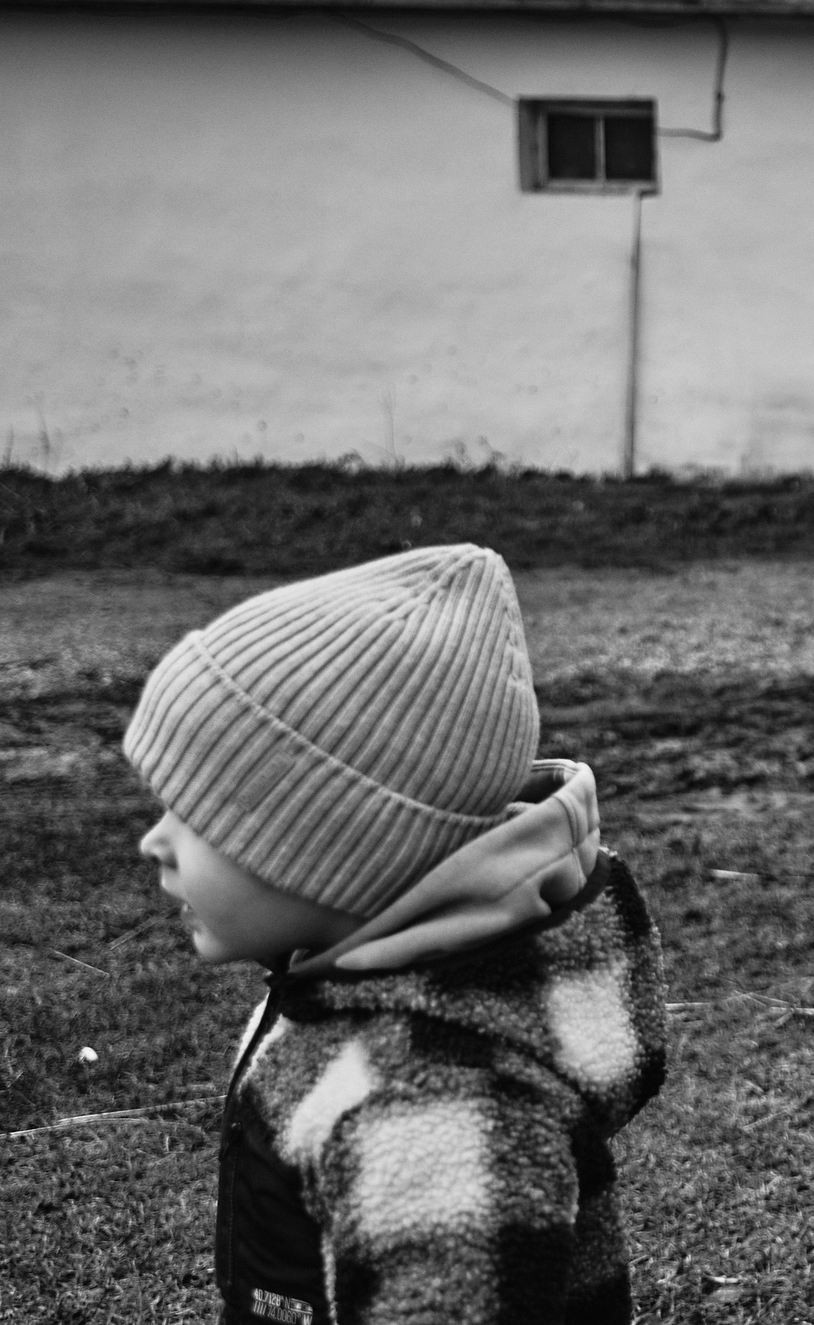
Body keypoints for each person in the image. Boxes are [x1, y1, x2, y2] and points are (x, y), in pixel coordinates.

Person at [127, 544, 667, 1325]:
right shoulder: (345, 984)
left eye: (195, 816)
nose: (154, 842)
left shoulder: (432, 1105)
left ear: (337, 852)